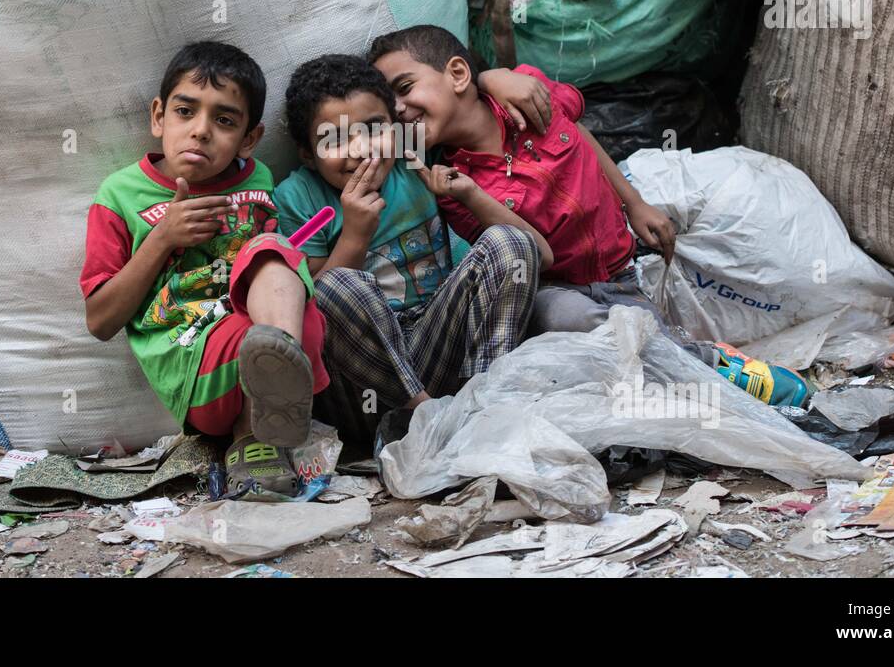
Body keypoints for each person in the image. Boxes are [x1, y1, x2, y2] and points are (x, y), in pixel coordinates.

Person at [368, 25, 810, 407]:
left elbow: (576, 130)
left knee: (641, 336)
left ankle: (701, 367)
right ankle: (716, 370)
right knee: (579, 323)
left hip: (619, 275)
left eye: (405, 89)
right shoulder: (451, 185)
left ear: (459, 74)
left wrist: (633, 203)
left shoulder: (525, 93)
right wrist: (469, 193)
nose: (400, 110)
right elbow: (528, 255)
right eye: (391, 108)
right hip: (551, 291)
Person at [80, 42, 329, 496]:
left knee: (270, 251)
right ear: (159, 116)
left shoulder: (258, 180)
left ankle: (271, 406)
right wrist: (162, 239)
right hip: (195, 364)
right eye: (185, 112)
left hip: (271, 335)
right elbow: (100, 321)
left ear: (249, 139)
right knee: (254, 319)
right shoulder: (119, 195)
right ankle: (257, 422)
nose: (200, 131)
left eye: (225, 120)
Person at [274, 54, 552, 445]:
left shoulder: (415, 161)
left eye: (374, 129)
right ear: (307, 153)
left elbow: (540, 255)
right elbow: (309, 306)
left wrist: (492, 78)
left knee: (511, 241)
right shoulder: (299, 198)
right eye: (334, 139)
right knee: (334, 285)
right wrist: (354, 235)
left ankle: (484, 403)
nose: (362, 149)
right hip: (367, 396)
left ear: (398, 129)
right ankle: (429, 419)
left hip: (437, 348)